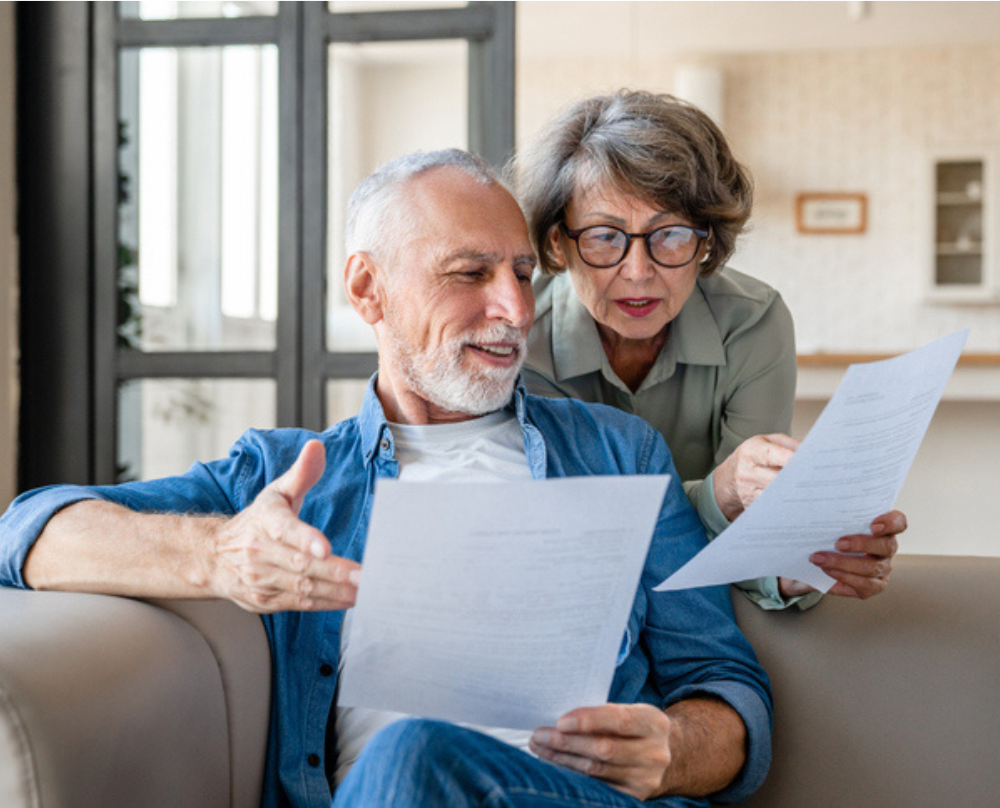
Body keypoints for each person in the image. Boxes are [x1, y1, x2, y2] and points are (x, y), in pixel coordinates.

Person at [0, 150, 772, 807]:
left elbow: (728, 692)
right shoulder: (287, 475)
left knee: (414, 755)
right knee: (404, 763)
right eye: (471, 273)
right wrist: (221, 555)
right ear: (367, 288)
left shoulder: (621, 453)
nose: (513, 308)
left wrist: (673, 746)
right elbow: (26, 533)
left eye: (523, 273)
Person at [512, 89, 903, 609]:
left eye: (671, 234)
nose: (638, 271)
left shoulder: (754, 322)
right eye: (605, 236)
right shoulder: (518, 337)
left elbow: (757, 532)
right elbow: (572, 536)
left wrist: (794, 569)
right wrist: (718, 495)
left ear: (708, 243)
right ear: (558, 243)